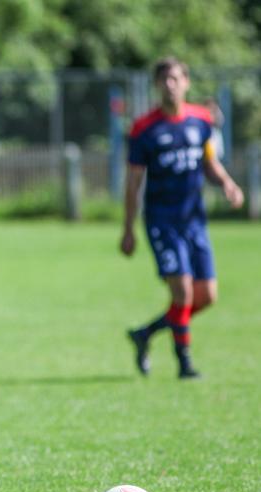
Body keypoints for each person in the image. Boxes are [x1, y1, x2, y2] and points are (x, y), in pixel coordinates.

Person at [122, 57, 244, 378]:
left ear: (187, 82)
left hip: (194, 221)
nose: (170, 85)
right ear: (156, 85)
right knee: (183, 293)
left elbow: (209, 162)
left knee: (207, 297)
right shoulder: (144, 129)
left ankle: (145, 334)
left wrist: (228, 183)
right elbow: (133, 182)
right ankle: (185, 364)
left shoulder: (201, 121)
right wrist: (128, 229)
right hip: (162, 221)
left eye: (176, 79)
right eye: (164, 80)